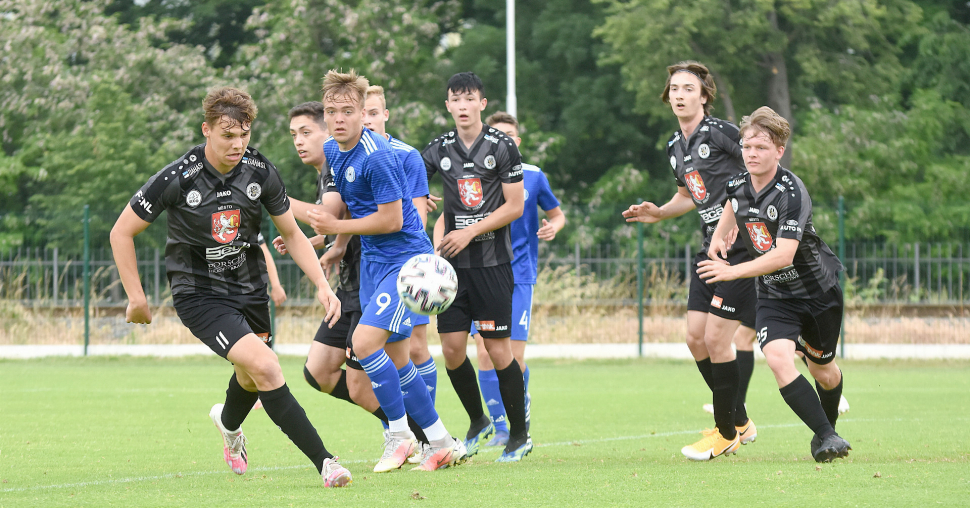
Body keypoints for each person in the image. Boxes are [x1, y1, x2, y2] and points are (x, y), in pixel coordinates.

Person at [109, 87, 352, 487]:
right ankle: (327, 463)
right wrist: (136, 296)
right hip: (198, 294)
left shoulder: (260, 170)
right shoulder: (177, 177)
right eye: (227, 135)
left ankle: (227, 423)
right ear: (206, 130)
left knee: (250, 374)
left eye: (244, 135)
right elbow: (121, 232)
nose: (237, 144)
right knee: (266, 366)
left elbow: (292, 233)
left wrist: (323, 286)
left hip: (250, 289)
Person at [299, 69, 466, 472]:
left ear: (363, 113)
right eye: (332, 111)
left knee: (364, 342)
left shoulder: (379, 156)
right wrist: (320, 229)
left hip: (404, 262)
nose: (339, 119)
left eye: (348, 111)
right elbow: (337, 205)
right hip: (372, 263)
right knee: (398, 357)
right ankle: (441, 442)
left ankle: (400, 435)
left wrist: (333, 226)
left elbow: (392, 220)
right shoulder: (334, 150)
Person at [697, 106, 851, 463]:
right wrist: (719, 237)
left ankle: (827, 430)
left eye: (761, 147)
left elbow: (783, 255)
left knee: (824, 372)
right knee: (779, 358)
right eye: (747, 146)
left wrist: (733, 271)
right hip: (775, 295)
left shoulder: (791, 192)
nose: (751, 153)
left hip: (817, 293)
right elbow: (732, 204)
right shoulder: (738, 183)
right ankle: (828, 436)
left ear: (779, 150)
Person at [622, 61, 757, 461]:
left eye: (688, 88)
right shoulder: (674, 147)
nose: (680, 95)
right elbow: (688, 194)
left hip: (740, 247)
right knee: (696, 338)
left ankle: (726, 431)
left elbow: (756, 173)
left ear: (704, 96)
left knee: (718, 339)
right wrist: (659, 212)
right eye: (674, 89)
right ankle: (739, 420)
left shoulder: (721, 132)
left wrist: (739, 219)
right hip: (708, 247)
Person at [422, 72, 532, 462]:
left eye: (470, 98)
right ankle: (478, 421)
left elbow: (514, 206)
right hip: (452, 272)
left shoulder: (502, 146)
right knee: (452, 349)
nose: (463, 106)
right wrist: (424, 211)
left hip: (492, 264)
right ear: (448, 106)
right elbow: (415, 189)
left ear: (482, 104)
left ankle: (518, 435)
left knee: (498, 350)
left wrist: (468, 232)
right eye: (456, 99)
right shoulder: (438, 149)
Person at [455, 111, 566, 447]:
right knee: (484, 352)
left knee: (512, 357)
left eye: (508, 137)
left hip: (519, 276)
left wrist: (553, 227)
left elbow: (557, 215)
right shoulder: (469, 177)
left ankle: (520, 412)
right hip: (481, 274)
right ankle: (501, 427)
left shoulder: (533, 176)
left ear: (517, 142)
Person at [361, 85, 440, 406]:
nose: (367, 120)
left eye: (373, 113)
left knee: (415, 348)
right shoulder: (349, 154)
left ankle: (425, 425)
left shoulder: (406, 155)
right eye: (361, 113)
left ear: (386, 115)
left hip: (407, 263)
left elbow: (418, 218)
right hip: (371, 264)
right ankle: (398, 426)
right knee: (382, 349)